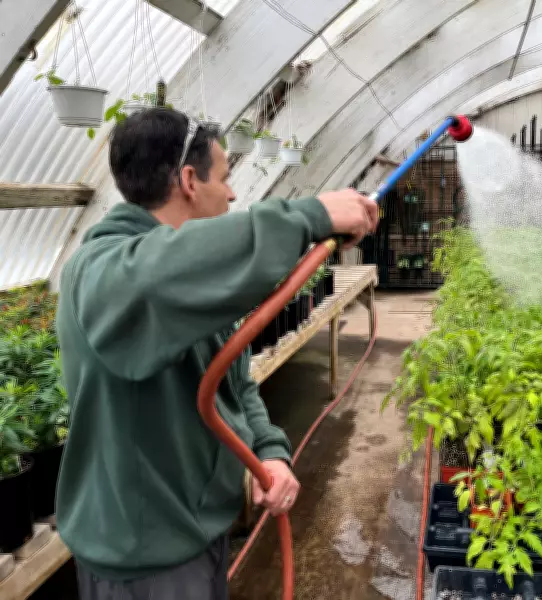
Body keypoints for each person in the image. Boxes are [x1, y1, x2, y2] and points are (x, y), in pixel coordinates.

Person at [54, 108, 379, 599]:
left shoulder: (185, 283)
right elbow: (152, 274)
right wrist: (310, 216)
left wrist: (267, 451)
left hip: (195, 531)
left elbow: (232, 379)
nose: (231, 194)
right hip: (141, 556)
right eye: (226, 179)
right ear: (188, 179)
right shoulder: (98, 271)